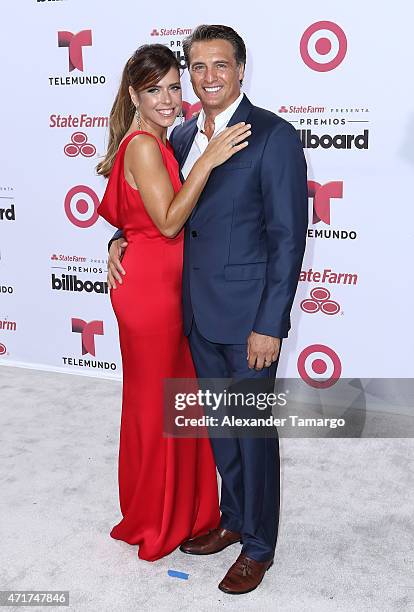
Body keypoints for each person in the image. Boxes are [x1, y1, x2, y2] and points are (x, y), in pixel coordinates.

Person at [108, 25, 308, 594]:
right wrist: (117, 241)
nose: (208, 77)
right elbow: (163, 213)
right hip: (191, 313)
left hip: (247, 320)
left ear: (241, 69)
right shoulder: (182, 133)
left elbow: (288, 237)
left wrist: (270, 324)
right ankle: (234, 520)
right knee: (221, 431)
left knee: (251, 432)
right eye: (197, 67)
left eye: (220, 65)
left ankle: (260, 546)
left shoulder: (273, 135)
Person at [97, 43, 251, 562]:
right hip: (151, 298)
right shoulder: (144, 144)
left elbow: (138, 218)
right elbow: (166, 222)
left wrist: (118, 239)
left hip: (168, 290)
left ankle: (178, 510)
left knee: (173, 406)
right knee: (156, 406)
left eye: (171, 87)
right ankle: (154, 518)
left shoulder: (162, 139)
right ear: (134, 96)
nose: (168, 99)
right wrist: (209, 158)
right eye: (153, 90)